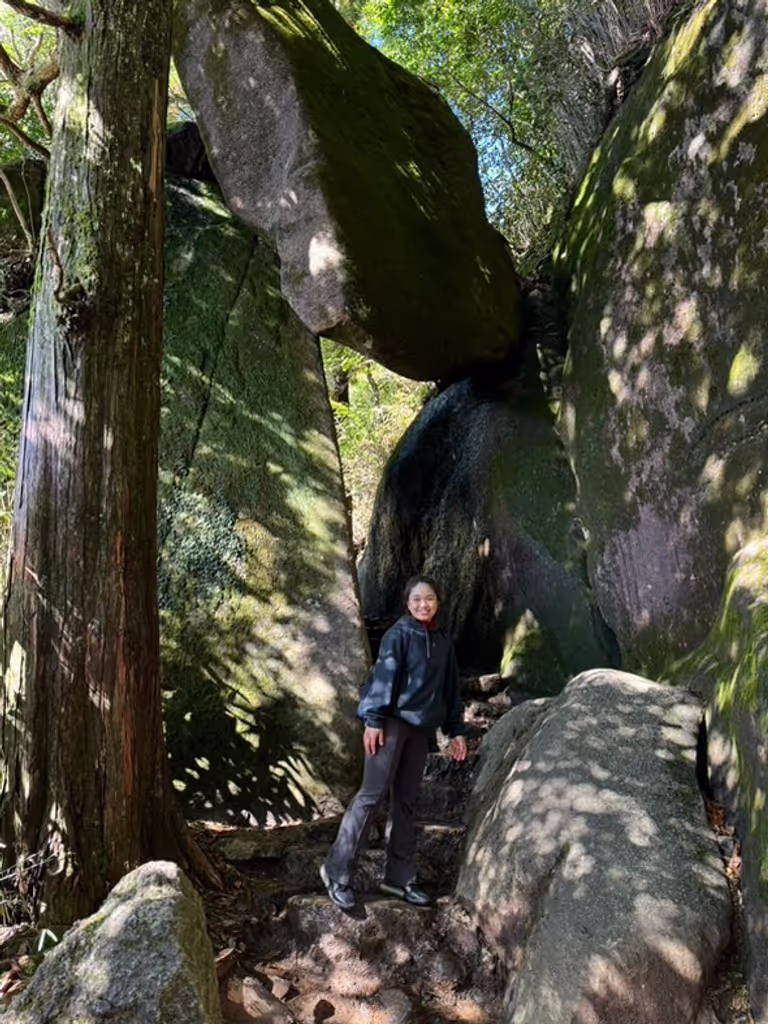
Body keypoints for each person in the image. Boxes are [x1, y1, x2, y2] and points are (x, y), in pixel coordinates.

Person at [320, 575, 467, 910]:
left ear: (437, 602)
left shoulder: (442, 641)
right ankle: (337, 872)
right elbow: (383, 678)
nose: (423, 604)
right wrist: (373, 721)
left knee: (406, 801)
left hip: (420, 730)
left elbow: (450, 690)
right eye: (417, 599)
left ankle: (399, 878)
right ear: (407, 602)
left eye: (429, 598)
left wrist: (455, 730)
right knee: (371, 796)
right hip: (390, 725)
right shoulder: (397, 636)